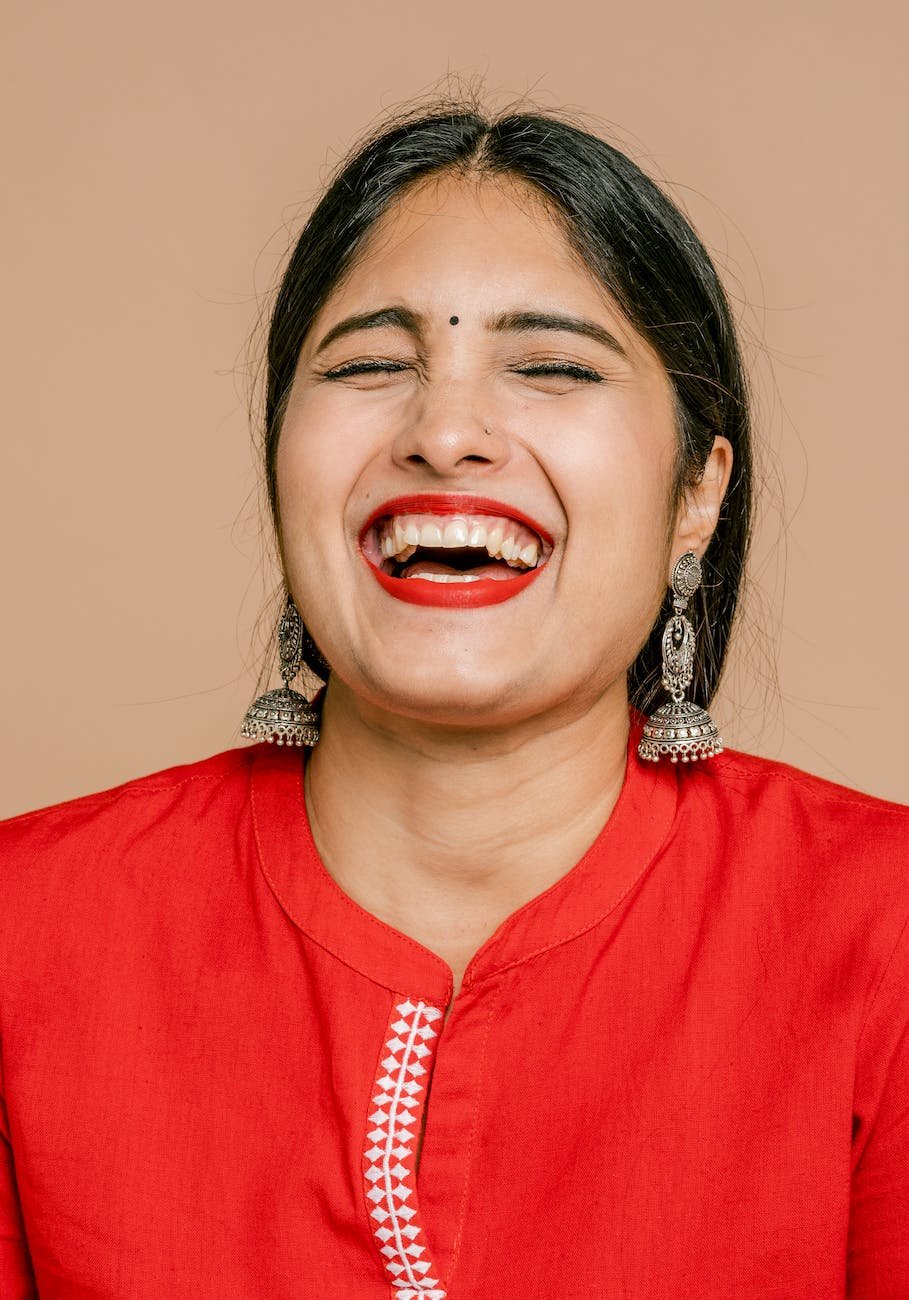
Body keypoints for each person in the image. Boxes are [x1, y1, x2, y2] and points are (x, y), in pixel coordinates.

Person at [1, 102, 906, 1299]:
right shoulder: (29, 935)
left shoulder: (880, 934)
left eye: (552, 367)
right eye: (371, 364)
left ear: (699, 491)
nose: (444, 432)